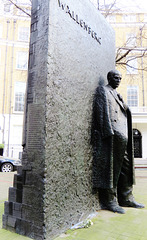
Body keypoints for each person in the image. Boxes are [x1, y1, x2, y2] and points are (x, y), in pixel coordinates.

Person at [91, 69, 144, 214]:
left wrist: (125, 105)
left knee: (127, 167)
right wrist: (107, 133)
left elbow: (123, 112)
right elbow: (102, 113)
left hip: (123, 136)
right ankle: (110, 200)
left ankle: (126, 197)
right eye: (116, 78)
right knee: (112, 170)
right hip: (113, 136)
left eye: (120, 78)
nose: (119, 80)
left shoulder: (117, 94)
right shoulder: (103, 90)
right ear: (109, 78)